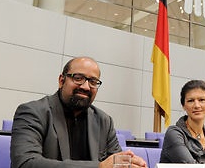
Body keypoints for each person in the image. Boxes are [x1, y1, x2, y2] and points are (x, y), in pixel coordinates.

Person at [10, 56, 148, 168]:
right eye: (78, 78)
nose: (86, 86)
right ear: (61, 80)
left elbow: (114, 163)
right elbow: (25, 163)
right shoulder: (33, 112)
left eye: (93, 82)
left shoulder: (104, 121)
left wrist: (129, 164)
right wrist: (99, 167)